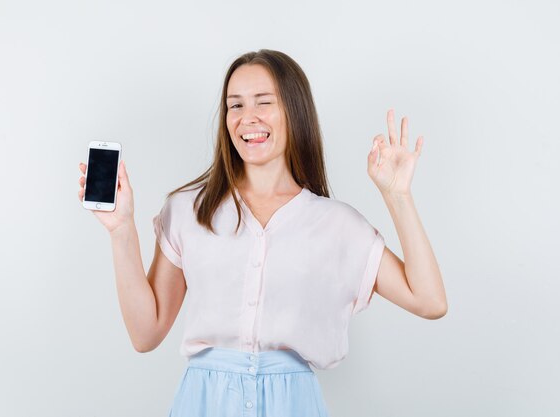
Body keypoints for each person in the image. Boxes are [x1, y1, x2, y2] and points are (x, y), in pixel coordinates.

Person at [77, 49, 447, 417]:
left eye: (263, 102)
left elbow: (430, 301)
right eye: (234, 106)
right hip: (204, 404)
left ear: (294, 112)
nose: (246, 118)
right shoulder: (189, 209)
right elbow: (145, 334)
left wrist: (397, 197)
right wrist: (122, 230)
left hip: (295, 406)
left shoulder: (338, 224)